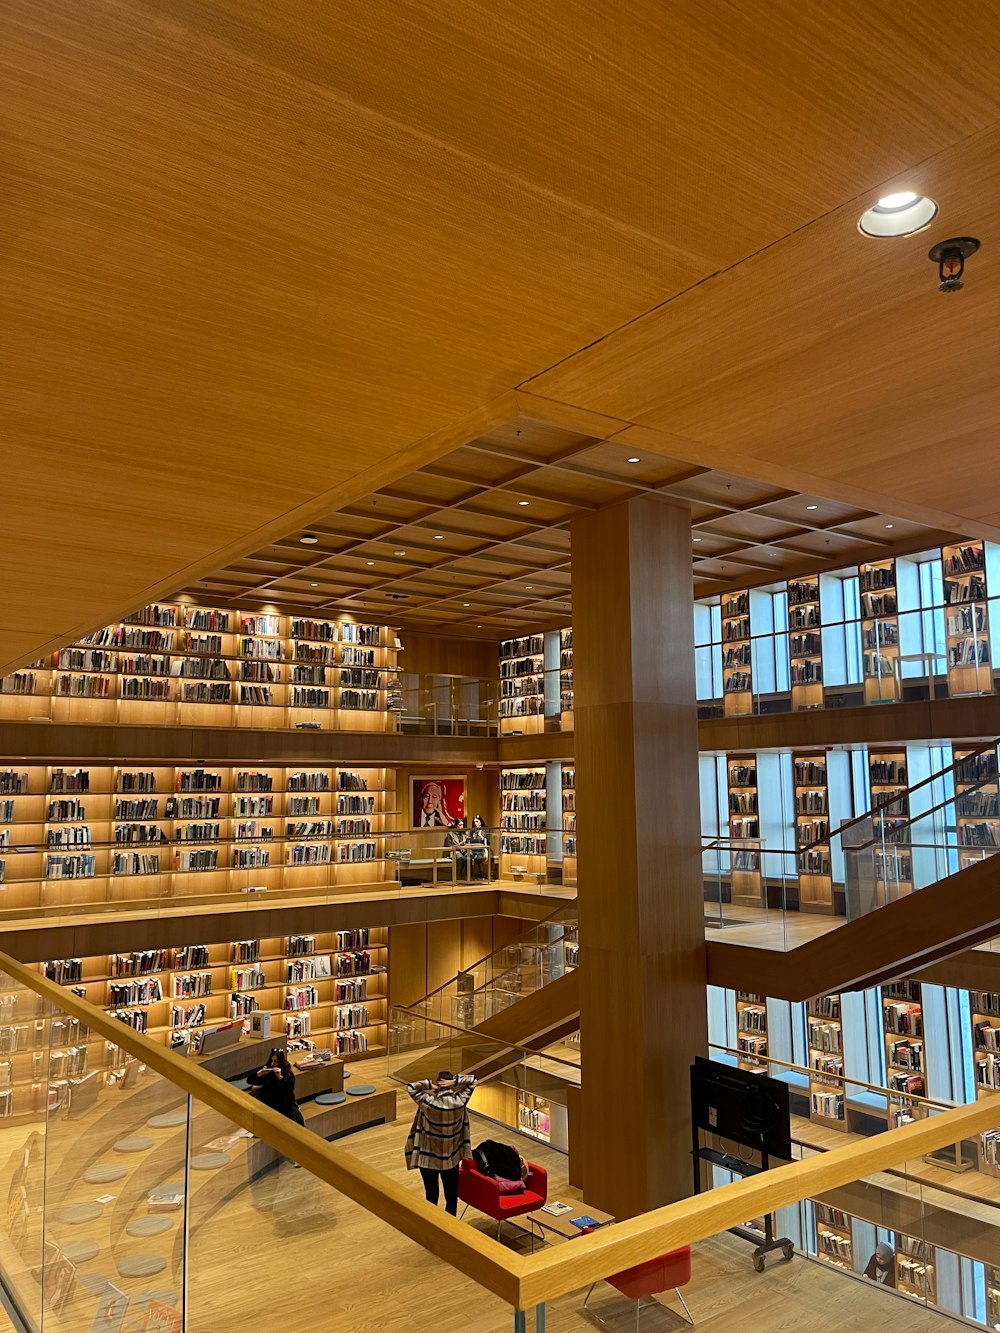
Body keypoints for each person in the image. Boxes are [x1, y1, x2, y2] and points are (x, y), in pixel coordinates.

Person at [404, 1069, 477, 1214]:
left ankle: (432, 1227)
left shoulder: (428, 1102)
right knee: (451, 1197)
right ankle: (450, 1230)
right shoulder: (460, 1101)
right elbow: (473, 1081)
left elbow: (411, 1087)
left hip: (428, 1158)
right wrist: (456, 1081)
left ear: (438, 1082)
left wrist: (430, 1085)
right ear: (451, 1085)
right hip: (451, 1159)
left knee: (431, 1196)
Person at [246, 1048, 305, 1126]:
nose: (272, 1064)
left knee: (298, 1120)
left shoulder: (287, 1073)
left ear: (280, 1062)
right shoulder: (267, 1071)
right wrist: (259, 1073)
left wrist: (280, 1078)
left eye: (275, 1061)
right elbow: (249, 1081)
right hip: (270, 1104)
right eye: (271, 1061)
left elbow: (289, 1090)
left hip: (286, 1104)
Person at [467, 814, 491, 881]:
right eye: (474, 822)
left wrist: (482, 838)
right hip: (474, 848)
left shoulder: (485, 830)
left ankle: (488, 876)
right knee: (471, 856)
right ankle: (473, 876)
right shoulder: (472, 830)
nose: (475, 823)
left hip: (484, 848)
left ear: (481, 821)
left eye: (477, 821)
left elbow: (489, 841)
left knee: (489, 856)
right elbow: (470, 840)